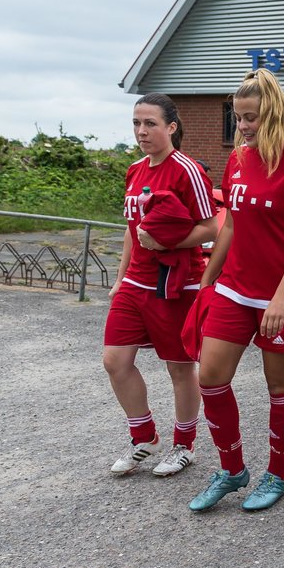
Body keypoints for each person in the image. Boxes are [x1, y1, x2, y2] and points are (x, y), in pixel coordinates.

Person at [188, 69, 284, 514]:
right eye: (238, 118)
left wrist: (281, 299)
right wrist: (209, 278)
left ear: (274, 114)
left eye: (250, 118)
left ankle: (277, 475)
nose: (243, 127)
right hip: (235, 287)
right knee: (209, 377)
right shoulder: (237, 159)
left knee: (279, 386)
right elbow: (230, 221)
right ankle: (232, 470)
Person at [104, 94, 218, 476]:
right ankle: (144, 437)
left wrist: (170, 242)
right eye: (136, 123)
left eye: (150, 123)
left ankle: (184, 444)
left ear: (170, 127)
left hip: (177, 283)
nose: (141, 131)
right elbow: (131, 229)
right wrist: (119, 279)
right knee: (115, 361)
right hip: (135, 282)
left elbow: (211, 226)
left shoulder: (186, 170)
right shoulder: (135, 170)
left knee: (180, 367)